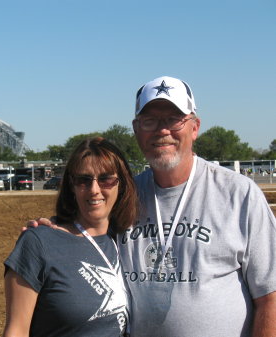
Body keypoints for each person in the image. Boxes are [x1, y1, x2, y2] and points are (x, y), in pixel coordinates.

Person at [30, 76, 276, 336]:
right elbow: (87, 224)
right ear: (137, 130)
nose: (162, 130)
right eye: (150, 121)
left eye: (174, 119)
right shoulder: (125, 195)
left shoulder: (239, 194)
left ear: (195, 127)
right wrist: (51, 229)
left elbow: (270, 296)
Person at [3, 137, 139, 337]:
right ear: (72, 185)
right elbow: (16, 331)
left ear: (122, 184)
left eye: (106, 179)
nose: (94, 189)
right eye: (83, 180)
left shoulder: (127, 241)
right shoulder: (39, 243)